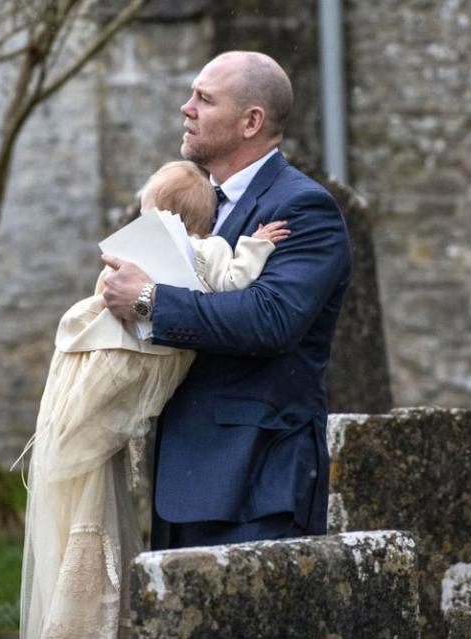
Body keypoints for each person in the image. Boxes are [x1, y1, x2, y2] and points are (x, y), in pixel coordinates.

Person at [19, 159, 289, 639]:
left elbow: (234, 285)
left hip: (145, 355)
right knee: (78, 442)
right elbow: (236, 275)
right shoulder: (213, 247)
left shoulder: (204, 250)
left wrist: (255, 243)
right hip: (146, 354)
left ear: (172, 222)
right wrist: (257, 245)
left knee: (78, 444)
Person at [101, 50, 353, 549]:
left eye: (204, 99)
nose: (185, 108)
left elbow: (271, 318)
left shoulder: (303, 207)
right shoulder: (197, 202)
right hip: (180, 475)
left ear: (251, 122)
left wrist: (150, 299)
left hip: (257, 483)